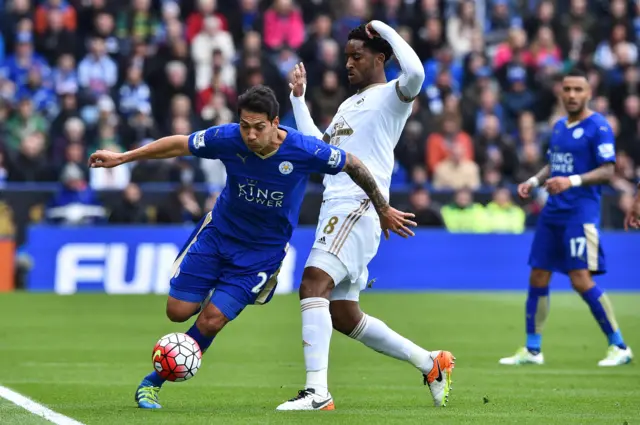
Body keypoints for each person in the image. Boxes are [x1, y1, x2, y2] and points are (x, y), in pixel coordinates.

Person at [88, 85, 416, 409]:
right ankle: (208, 292)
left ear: (275, 123)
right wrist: (123, 158)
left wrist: (382, 208)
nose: (250, 135)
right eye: (245, 126)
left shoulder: (304, 150)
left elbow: (354, 164)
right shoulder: (228, 138)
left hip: (260, 254)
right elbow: (180, 144)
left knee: (212, 320)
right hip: (219, 236)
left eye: (258, 127)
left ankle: (152, 383)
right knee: (177, 312)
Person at [278, 21, 455, 411]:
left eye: (357, 56)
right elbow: (320, 149)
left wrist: (384, 28)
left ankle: (317, 393)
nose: (348, 64)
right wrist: (298, 100)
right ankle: (430, 363)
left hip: (358, 204)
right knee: (342, 314)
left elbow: (417, 73)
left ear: (379, 58)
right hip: (338, 204)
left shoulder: (393, 95)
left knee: (312, 283)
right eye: (346, 57)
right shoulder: (348, 104)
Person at [499, 69, 633, 367]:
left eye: (578, 90)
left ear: (588, 94)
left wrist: (570, 182)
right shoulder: (559, 126)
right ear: (561, 92)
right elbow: (554, 165)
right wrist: (533, 181)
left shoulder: (598, 127)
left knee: (580, 279)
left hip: (579, 213)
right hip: (553, 213)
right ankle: (533, 350)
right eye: (567, 89)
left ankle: (619, 345)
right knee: (538, 275)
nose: (572, 95)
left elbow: (608, 170)